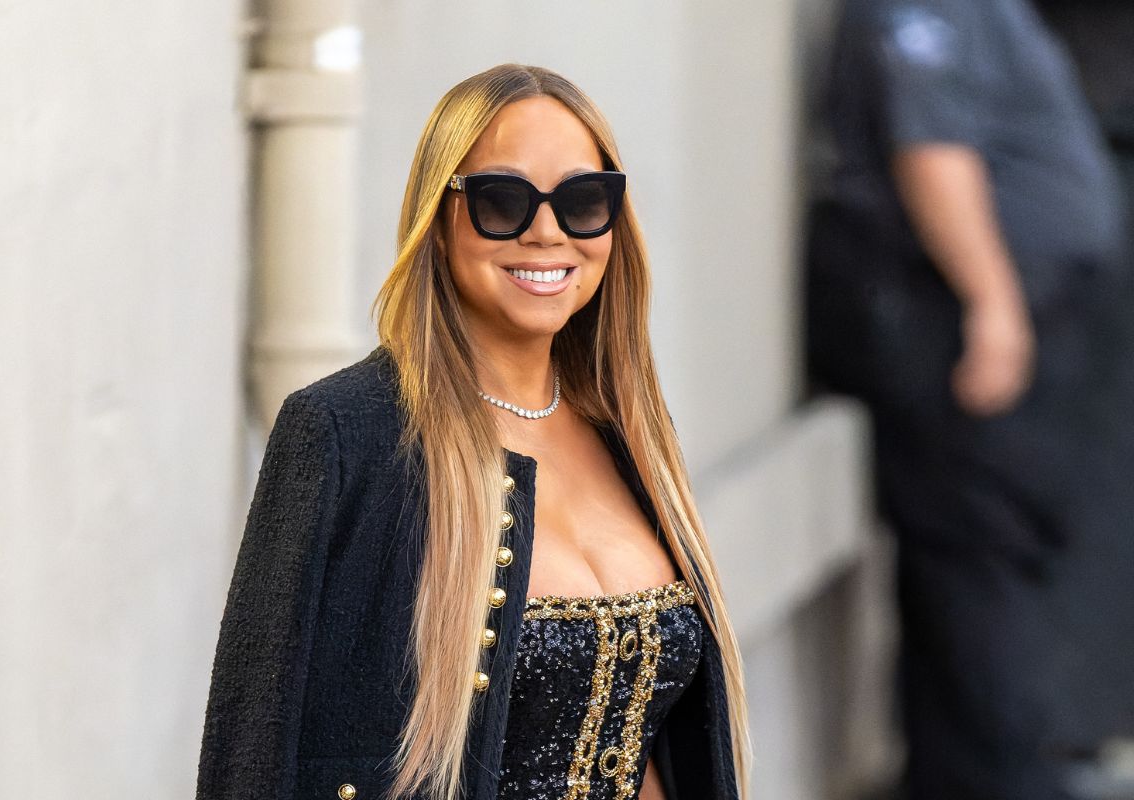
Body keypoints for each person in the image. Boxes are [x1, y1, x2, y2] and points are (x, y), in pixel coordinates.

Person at [196, 64, 750, 800]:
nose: (547, 231)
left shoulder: (632, 430)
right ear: (439, 216)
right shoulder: (344, 435)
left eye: (584, 200)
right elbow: (250, 755)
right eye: (502, 200)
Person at [806, 1, 1133, 799]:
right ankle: (1004, 777)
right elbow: (933, 151)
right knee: (984, 550)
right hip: (949, 319)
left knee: (983, 547)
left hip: (1016, 317)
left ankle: (967, 774)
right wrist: (993, 305)